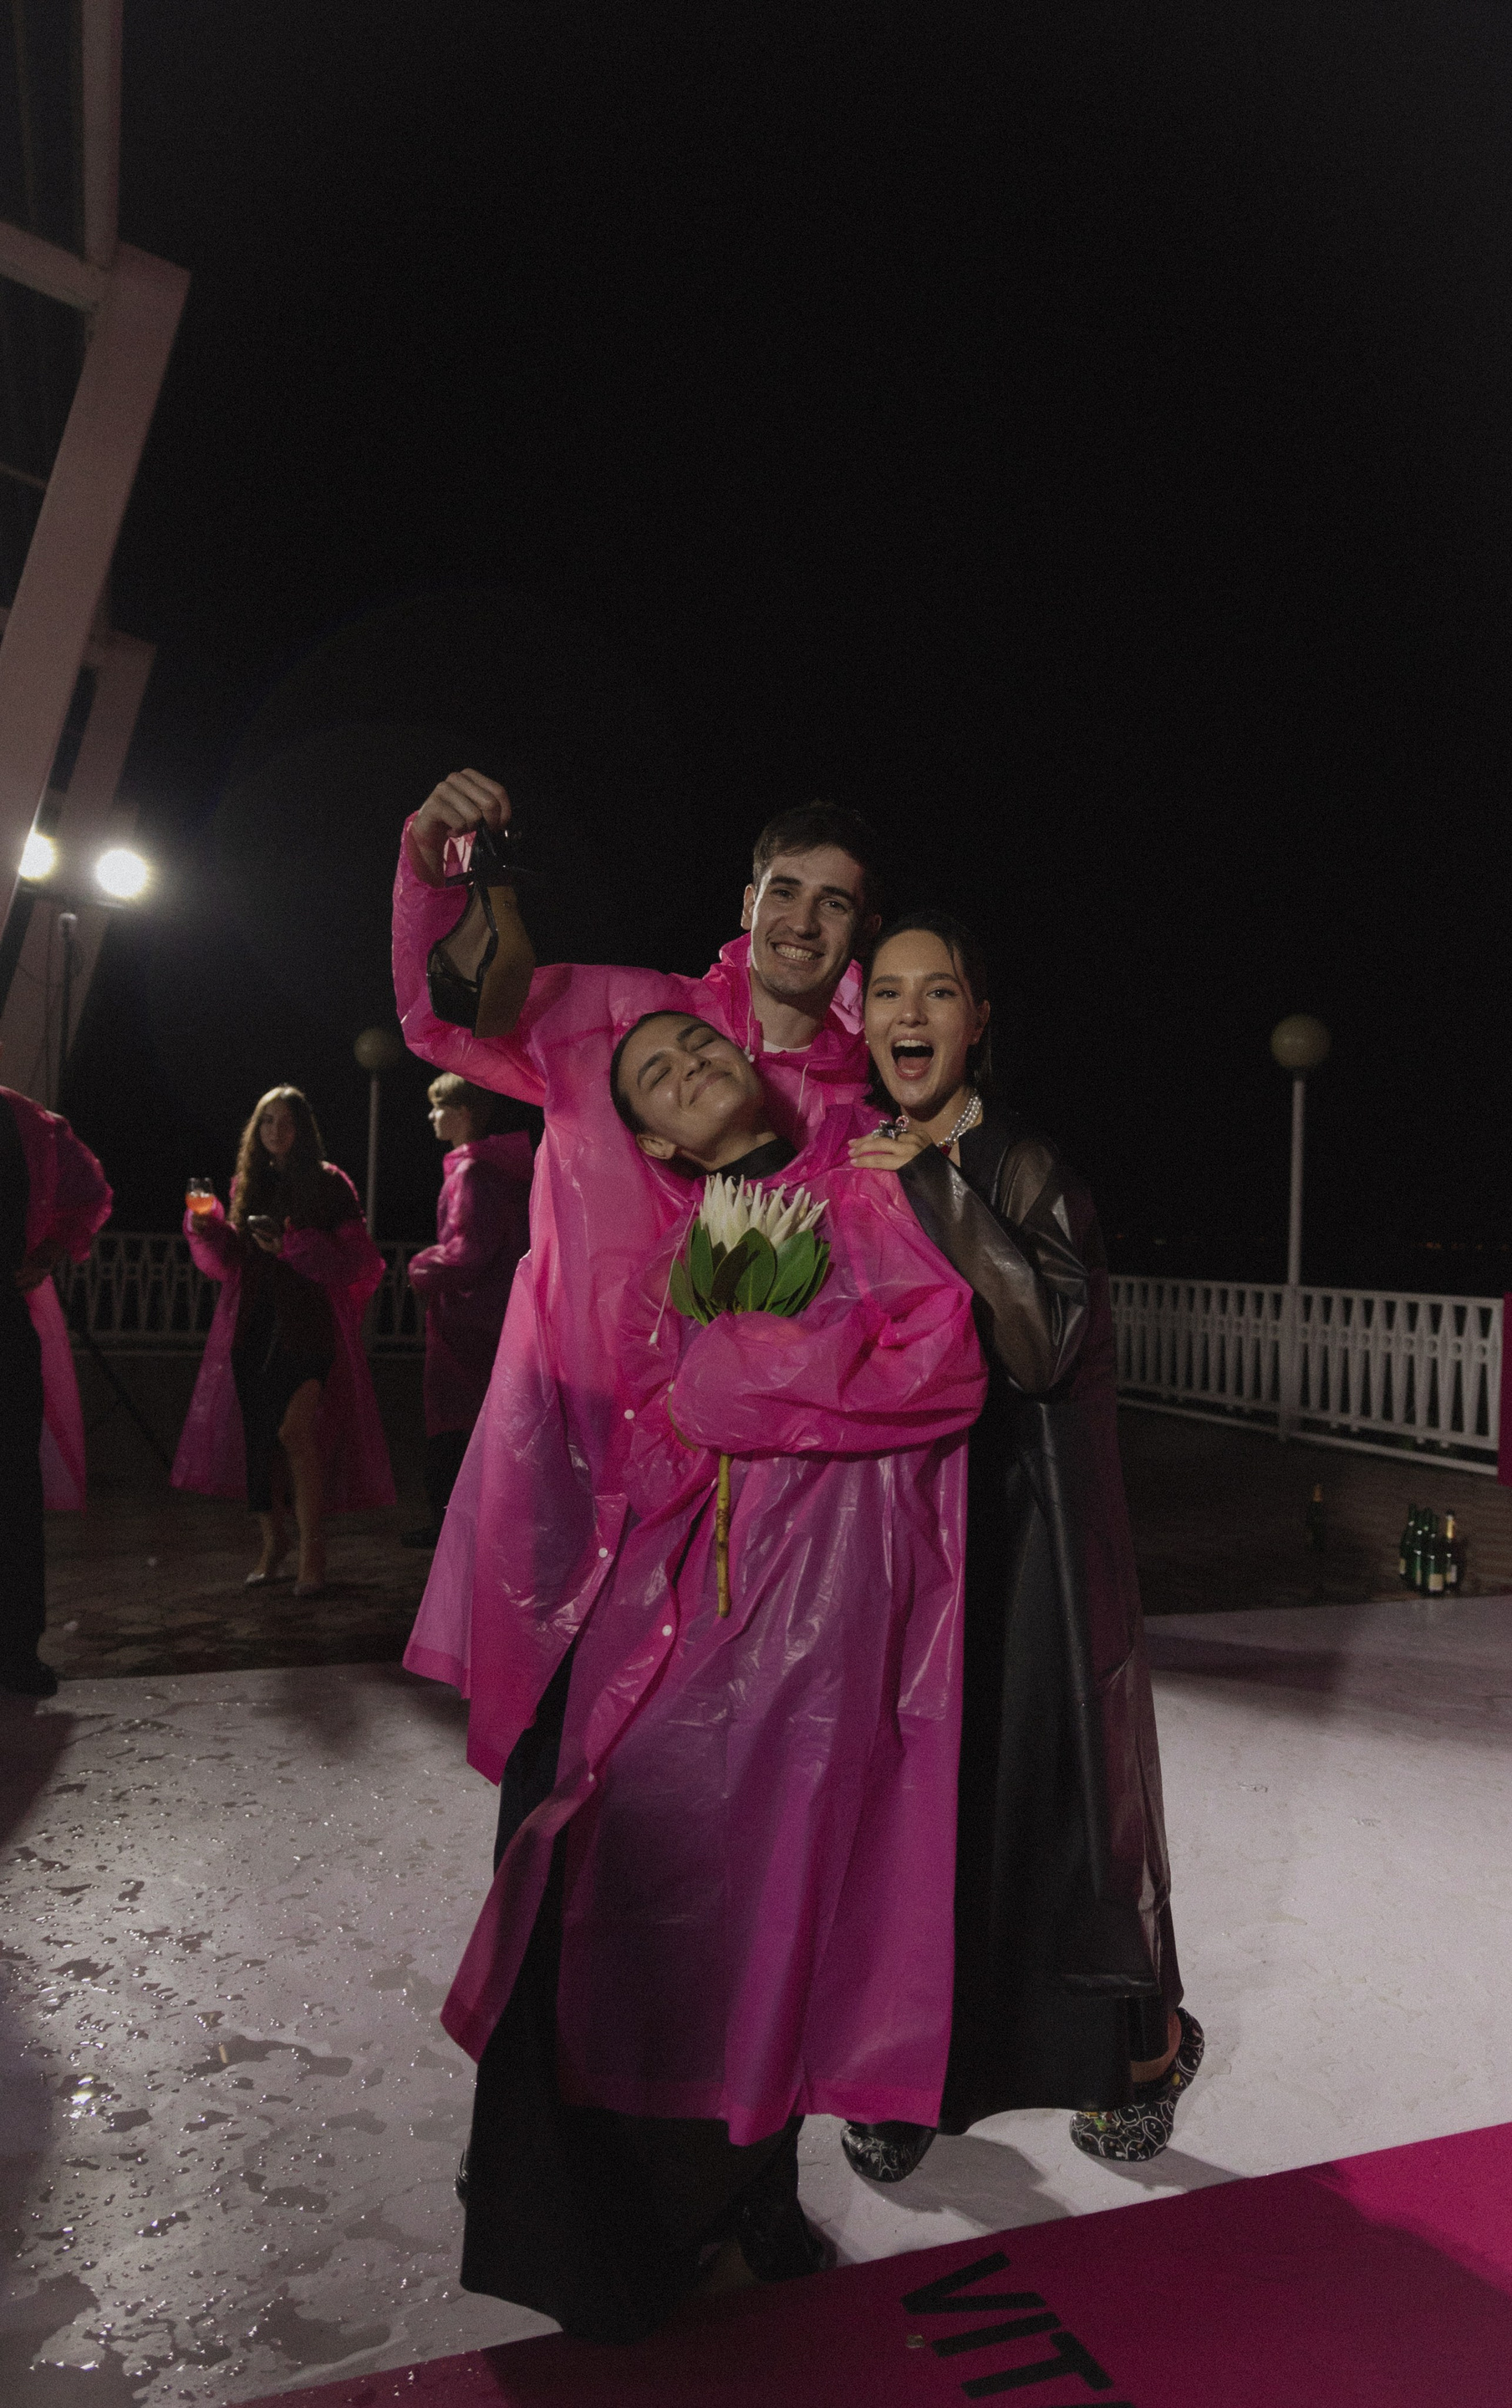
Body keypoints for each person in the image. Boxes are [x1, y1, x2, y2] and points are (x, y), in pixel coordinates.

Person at [442, 1016, 986, 2340]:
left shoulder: (861, 1182)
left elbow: (944, 1357)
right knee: (644, 1888)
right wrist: (703, 1399)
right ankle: (658, 2217)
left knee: (789, 1896)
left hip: (839, 1602)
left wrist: (748, 1371)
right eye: (657, 1080)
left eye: (696, 1047)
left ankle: (741, 2208)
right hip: (706, 1613)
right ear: (659, 1142)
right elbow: (658, 1429)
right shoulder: (682, 1248)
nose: (689, 1069)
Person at [395, 770, 879, 1785]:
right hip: (570, 1448)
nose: (802, 922)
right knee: (551, 1757)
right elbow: (452, 1020)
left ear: (859, 930)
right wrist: (438, 868)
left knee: (694, 1782)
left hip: (742, 1497)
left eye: (833, 903)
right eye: (785, 891)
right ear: (747, 902)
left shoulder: (856, 1105)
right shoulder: (632, 1017)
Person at [847, 913, 1201, 2171]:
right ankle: (897, 2062)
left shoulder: (1023, 1161)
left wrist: (930, 1183)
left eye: (939, 992)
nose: (910, 1014)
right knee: (904, 1806)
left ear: (978, 1020)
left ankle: (1134, 2046)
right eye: (888, 991)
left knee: (1053, 1800)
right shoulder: (845, 1157)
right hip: (894, 1532)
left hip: (1023, 1535)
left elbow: (1045, 1347)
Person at [172, 1087, 394, 1593]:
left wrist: (293, 1246)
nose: (277, 1131)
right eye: (268, 1121)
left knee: (296, 1432)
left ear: (302, 1129)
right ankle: (274, 1543)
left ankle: (313, 1551)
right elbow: (232, 1258)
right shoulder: (248, 1182)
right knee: (259, 1439)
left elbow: (360, 1260)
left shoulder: (329, 1183)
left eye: (287, 1122)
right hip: (255, 1321)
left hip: (308, 1323)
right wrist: (208, 1228)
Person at [0, 1086, 113, 1697]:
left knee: (13, 1490)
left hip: (4, 1324)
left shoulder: (27, 1123)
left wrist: (46, 1252)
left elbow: (89, 1193)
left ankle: (15, 1650)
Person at [403, 1073, 535, 1546]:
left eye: (439, 1107)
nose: (432, 1116)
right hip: (495, 1311)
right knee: (483, 1418)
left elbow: (469, 1251)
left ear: (462, 1113)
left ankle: (450, 1523)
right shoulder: (500, 1169)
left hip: (468, 1318)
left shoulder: (473, 1172)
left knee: (456, 1420)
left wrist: (421, 1268)